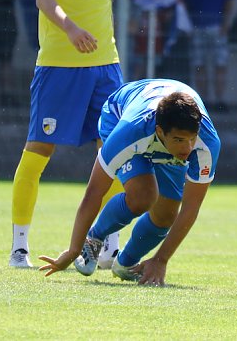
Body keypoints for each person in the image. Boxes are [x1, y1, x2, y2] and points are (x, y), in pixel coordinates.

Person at [9, 0, 125, 269]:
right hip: (59, 64)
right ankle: (19, 245)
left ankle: (107, 244)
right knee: (38, 150)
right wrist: (71, 30)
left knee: (114, 154)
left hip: (106, 66)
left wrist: (93, 39)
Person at [38, 79, 220, 286]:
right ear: (160, 132)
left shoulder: (206, 143)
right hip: (117, 116)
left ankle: (126, 265)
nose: (187, 148)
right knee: (143, 196)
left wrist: (161, 259)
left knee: (167, 214)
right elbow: (94, 192)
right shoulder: (129, 133)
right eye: (179, 139)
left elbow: (191, 207)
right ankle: (95, 239)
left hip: (163, 142)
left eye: (191, 139)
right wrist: (73, 249)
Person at [180, 0, 235, 112]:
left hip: (217, 27)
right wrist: (187, 25)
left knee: (220, 63)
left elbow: (230, 0)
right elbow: (183, 1)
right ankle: (202, 101)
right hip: (197, 28)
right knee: (199, 64)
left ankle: (220, 99)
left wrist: (226, 24)